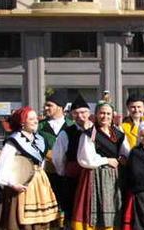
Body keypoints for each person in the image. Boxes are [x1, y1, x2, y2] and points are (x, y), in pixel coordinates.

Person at [0, 106, 62, 229]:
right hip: (21, 184)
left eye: (36, 118)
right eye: (31, 119)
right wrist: (12, 184)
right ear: (22, 122)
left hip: (40, 183)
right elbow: (2, 166)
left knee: (42, 222)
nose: (36, 121)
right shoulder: (14, 141)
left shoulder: (39, 139)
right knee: (22, 222)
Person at [71, 101, 127, 230]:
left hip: (115, 177)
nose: (105, 116)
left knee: (114, 207)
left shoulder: (117, 134)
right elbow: (86, 158)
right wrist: (107, 160)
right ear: (95, 115)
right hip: (95, 176)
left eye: (108, 114)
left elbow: (125, 152)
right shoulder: (91, 133)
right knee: (96, 209)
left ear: (113, 116)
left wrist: (123, 158)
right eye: (102, 113)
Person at [52, 94, 93, 222]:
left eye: (83, 112)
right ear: (72, 115)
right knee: (73, 212)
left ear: (89, 113)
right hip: (73, 179)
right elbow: (58, 158)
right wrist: (65, 172)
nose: (80, 116)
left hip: (93, 178)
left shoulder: (98, 130)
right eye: (76, 113)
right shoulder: (66, 133)